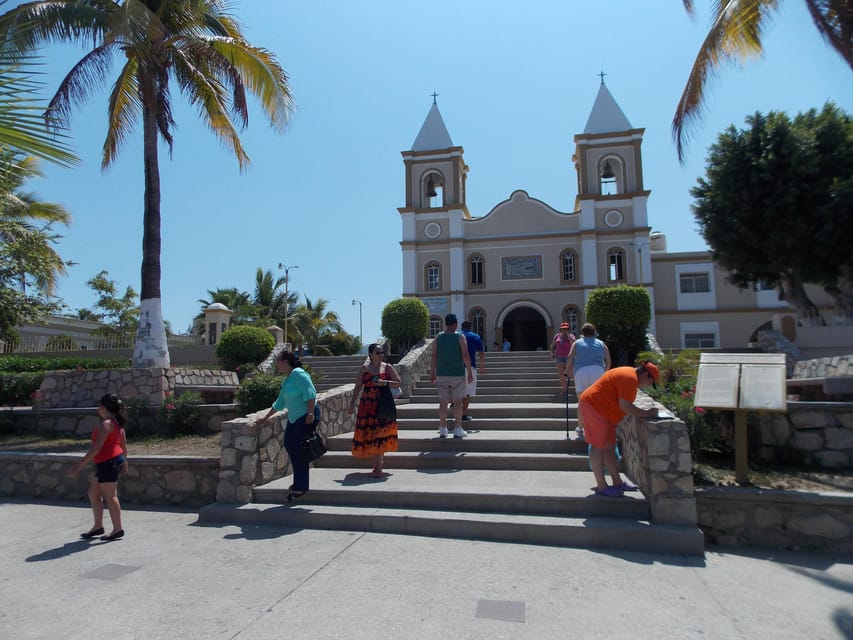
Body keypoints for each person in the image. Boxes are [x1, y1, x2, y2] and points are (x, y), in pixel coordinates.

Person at [579, 362, 660, 497]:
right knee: (597, 446)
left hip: (605, 412)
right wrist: (647, 414)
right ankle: (601, 486)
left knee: (609, 447)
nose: (648, 385)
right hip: (594, 406)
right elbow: (625, 406)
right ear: (646, 375)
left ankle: (617, 482)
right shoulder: (630, 378)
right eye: (650, 382)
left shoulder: (629, 375)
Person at [257, 350, 318, 502]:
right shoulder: (288, 378)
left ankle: (300, 486)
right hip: (294, 418)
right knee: (292, 447)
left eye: (278, 361)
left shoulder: (299, 374)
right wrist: (265, 417)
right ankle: (300, 483)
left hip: (305, 417)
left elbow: (310, 393)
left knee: (297, 449)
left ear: (285, 361)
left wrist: (310, 413)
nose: (276, 364)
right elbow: (280, 403)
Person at [68, 393, 129, 541]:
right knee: (92, 492)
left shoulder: (106, 424)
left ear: (102, 407)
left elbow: (96, 448)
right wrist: (125, 461)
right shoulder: (117, 424)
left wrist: (79, 466)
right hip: (113, 461)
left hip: (108, 463)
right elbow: (123, 445)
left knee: (110, 495)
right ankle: (98, 526)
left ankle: (117, 529)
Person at [348, 343, 401, 477]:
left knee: (380, 434)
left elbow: (399, 382)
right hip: (367, 405)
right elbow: (358, 386)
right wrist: (352, 403)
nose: (381, 355)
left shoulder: (387, 367)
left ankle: (378, 467)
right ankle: (378, 462)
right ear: (370, 355)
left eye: (382, 352)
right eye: (378, 352)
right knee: (370, 434)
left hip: (382, 403)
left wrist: (385, 383)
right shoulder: (364, 369)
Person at [430, 313, 473, 438]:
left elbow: (433, 356)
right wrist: (469, 371)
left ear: (445, 324)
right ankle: (457, 429)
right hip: (457, 374)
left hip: (442, 373)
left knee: (443, 402)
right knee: (458, 402)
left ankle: (443, 428)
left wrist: (432, 372)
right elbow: (465, 356)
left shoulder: (438, 337)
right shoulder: (460, 337)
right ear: (455, 324)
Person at [565, 322, 611, 438]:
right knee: (599, 400)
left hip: (581, 371)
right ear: (594, 332)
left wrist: (567, 370)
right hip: (598, 370)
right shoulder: (601, 343)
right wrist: (605, 371)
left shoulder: (577, 343)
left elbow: (570, 356)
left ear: (582, 333)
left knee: (582, 401)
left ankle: (581, 428)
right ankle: (600, 425)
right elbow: (608, 360)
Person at [459, 321, 486, 421]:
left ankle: (454, 403)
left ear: (461, 327)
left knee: (457, 390)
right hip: (470, 367)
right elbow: (481, 353)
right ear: (471, 327)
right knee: (467, 392)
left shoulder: (457, 336)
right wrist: (482, 366)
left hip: (456, 368)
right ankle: (463, 415)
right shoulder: (476, 337)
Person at [550, 322, 576, 395]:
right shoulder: (557, 336)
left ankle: (577, 388)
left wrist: (568, 335)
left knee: (570, 373)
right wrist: (552, 352)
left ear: (568, 329)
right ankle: (564, 390)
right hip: (559, 356)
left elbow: (574, 343)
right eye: (563, 328)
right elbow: (553, 345)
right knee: (561, 373)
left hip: (569, 357)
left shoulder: (571, 335)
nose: (564, 330)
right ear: (560, 329)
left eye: (566, 328)